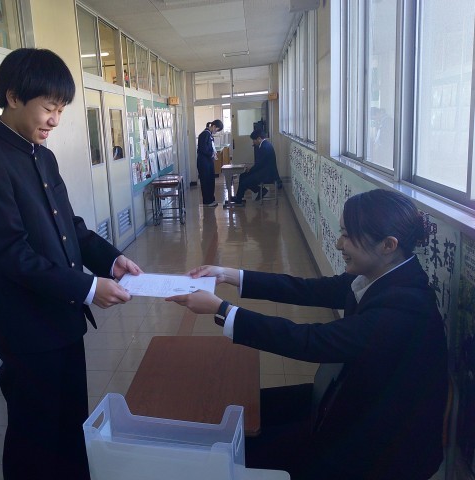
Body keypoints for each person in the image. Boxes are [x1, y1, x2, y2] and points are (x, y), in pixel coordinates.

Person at [166, 189, 448, 480]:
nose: (338, 243)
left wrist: (223, 310)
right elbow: (307, 289)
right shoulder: (384, 275)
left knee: (241, 449)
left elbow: (310, 342)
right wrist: (228, 274)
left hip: (378, 444)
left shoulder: (405, 307)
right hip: (349, 398)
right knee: (243, 411)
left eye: (348, 236)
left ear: (388, 245)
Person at [0, 48, 143, 479]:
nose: (55, 120)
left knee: (72, 423)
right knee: (34, 438)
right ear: (13, 97)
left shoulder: (42, 156)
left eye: (61, 110)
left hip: (63, 319)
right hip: (27, 330)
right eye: (49, 108)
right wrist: (88, 288)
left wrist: (111, 259)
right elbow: (10, 253)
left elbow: (69, 226)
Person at [231, 129, 280, 205]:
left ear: (259, 138)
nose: (253, 142)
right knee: (243, 176)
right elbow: (260, 163)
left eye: (254, 140)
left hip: (267, 174)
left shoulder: (264, 147)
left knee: (245, 181)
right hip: (264, 171)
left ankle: (241, 198)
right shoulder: (265, 145)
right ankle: (239, 197)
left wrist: (250, 169)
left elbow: (259, 164)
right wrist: (251, 169)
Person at [197, 119, 223, 207]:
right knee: (206, 181)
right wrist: (211, 153)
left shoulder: (209, 134)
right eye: (217, 130)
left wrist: (213, 153)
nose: (216, 132)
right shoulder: (205, 134)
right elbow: (203, 148)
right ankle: (207, 201)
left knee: (210, 180)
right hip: (204, 162)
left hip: (208, 161)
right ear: (214, 126)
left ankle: (211, 199)